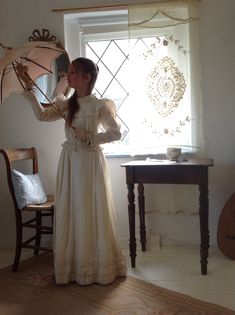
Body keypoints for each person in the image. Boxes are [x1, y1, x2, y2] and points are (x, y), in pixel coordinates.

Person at [17, 57, 127, 285]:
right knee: (73, 208)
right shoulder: (67, 103)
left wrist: (90, 137)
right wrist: (29, 88)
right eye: (69, 72)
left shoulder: (99, 105)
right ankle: (74, 267)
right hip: (69, 162)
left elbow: (116, 133)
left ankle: (96, 266)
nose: (68, 76)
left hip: (90, 163)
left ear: (87, 77)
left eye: (73, 72)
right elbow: (42, 115)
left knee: (90, 209)